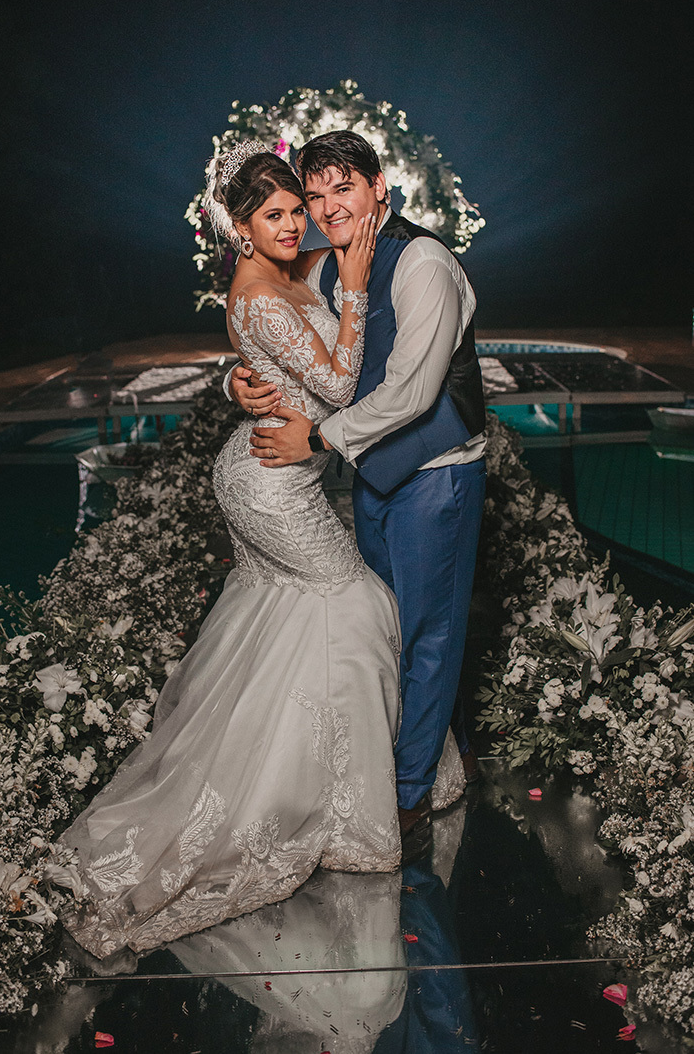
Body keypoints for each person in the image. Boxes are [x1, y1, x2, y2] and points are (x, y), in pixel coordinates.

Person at [58, 142, 464, 961]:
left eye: (299, 209)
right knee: (357, 607)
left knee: (294, 622)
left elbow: (273, 343)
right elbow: (334, 381)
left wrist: (234, 376)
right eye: (275, 214)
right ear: (240, 229)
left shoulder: (308, 264)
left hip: (281, 470)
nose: (296, 224)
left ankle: (311, 776)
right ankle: (332, 802)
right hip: (269, 480)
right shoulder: (275, 282)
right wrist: (353, 289)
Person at [228, 130, 486, 843]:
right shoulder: (329, 264)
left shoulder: (424, 263)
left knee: (428, 634)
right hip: (376, 472)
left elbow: (411, 392)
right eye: (314, 196)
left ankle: (408, 792)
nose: (326, 207)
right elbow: (271, 319)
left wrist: (315, 438)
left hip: (436, 472)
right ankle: (449, 746)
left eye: (344, 188)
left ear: (380, 188)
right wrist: (237, 380)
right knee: (390, 628)